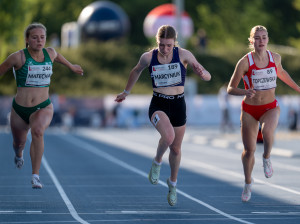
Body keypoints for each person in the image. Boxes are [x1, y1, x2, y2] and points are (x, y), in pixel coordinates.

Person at [114, 25, 211, 206]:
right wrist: (126, 92)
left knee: (175, 149)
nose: (165, 50)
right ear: (156, 42)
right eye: (161, 45)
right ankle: (157, 162)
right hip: (159, 104)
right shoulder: (148, 57)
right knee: (168, 136)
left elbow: (207, 76)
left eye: (168, 45)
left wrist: (202, 73)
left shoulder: (184, 55)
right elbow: (135, 71)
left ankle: (172, 184)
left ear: (174, 43)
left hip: (178, 105)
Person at [0, 23, 83, 189]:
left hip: (43, 106)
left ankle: (35, 175)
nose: (39, 41)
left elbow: (58, 56)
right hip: (20, 109)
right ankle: (18, 154)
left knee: (38, 131)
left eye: (42, 37)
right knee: (19, 143)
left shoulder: (49, 53)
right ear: (27, 40)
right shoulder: (18, 57)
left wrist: (72, 66)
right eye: (35, 37)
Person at [227, 25, 300, 202]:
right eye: (257, 38)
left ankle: (266, 157)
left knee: (267, 133)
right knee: (249, 150)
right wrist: (245, 92)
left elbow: (282, 73)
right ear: (251, 41)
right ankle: (248, 183)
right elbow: (230, 88)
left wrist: (298, 88)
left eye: (264, 37)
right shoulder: (245, 62)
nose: (261, 41)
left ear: (268, 39)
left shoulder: (275, 58)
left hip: (270, 107)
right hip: (250, 110)